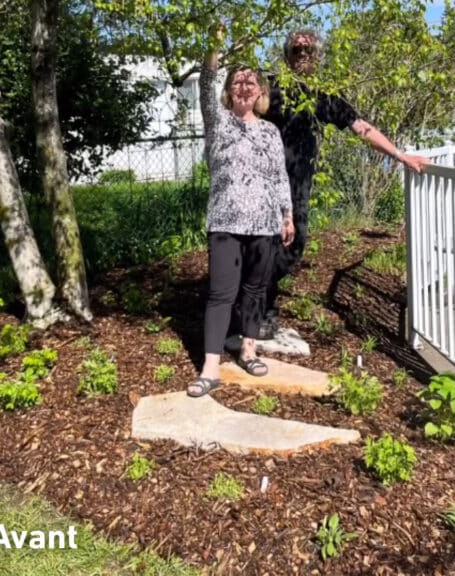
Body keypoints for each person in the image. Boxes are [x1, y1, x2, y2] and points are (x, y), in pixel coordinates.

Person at [252, 29, 429, 338]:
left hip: (297, 186)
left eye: (308, 50)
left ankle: (258, 300)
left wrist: (400, 155)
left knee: (292, 248)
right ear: (286, 55)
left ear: (317, 56)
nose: (303, 55)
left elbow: (361, 128)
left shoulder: (325, 96)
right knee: (261, 245)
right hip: (263, 182)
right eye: (297, 50)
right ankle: (259, 310)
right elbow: (243, 115)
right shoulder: (271, 88)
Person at [188, 26, 294, 397]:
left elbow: (279, 175)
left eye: (252, 82)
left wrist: (287, 215)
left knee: (254, 290)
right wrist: (215, 44)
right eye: (238, 81)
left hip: (265, 223)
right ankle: (211, 366)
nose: (245, 87)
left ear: (260, 93)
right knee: (221, 294)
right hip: (225, 221)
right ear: (229, 90)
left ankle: (248, 350)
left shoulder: (269, 132)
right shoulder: (217, 124)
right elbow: (205, 82)